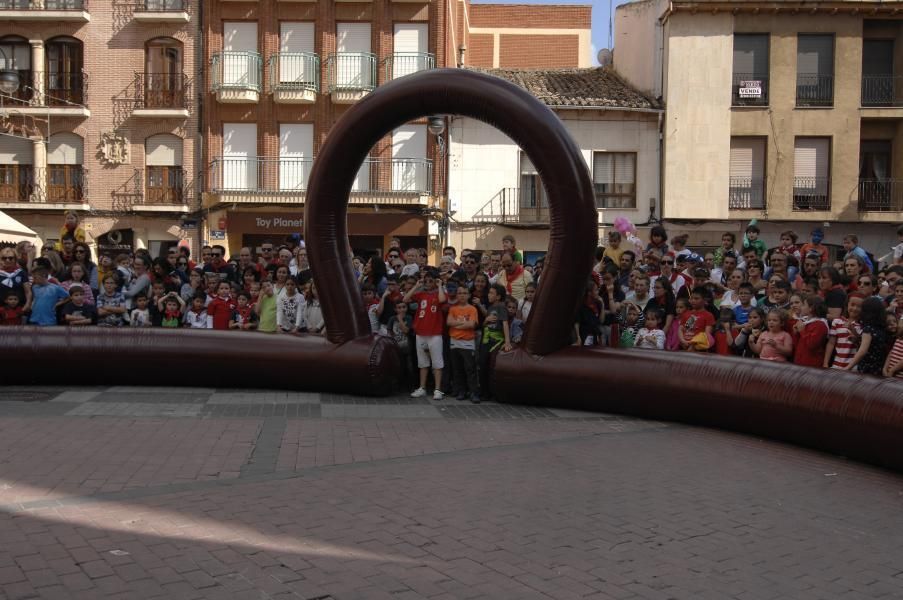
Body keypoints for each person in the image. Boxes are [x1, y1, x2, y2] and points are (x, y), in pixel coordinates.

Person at [404, 269, 448, 400]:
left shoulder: (439, 293)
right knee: (422, 362)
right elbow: (405, 298)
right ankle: (422, 387)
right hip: (421, 332)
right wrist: (417, 286)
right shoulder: (421, 294)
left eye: (431, 280)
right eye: (426, 280)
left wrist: (440, 285)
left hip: (435, 333)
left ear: (436, 281)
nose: (428, 283)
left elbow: (441, 300)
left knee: (437, 362)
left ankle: (438, 389)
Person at [447, 286, 480, 402]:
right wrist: (463, 323)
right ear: (456, 295)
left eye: (465, 293)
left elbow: (471, 325)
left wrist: (456, 324)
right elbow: (448, 322)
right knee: (457, 369)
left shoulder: (472, 309)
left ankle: (473, 392)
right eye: (459, 293)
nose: (462, 295)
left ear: (469, 295)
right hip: (454, 342)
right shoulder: (453, 309)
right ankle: (461, 391)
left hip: (467, 343)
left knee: (470, 369)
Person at [479, 283, 512, 401]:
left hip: (495, 341)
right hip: (485, 339)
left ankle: (491, 392)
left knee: (490, 366)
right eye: (489, 292)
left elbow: (504, 323)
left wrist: (507, 341)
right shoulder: (490, 307)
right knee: (482, 365)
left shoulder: (501, 307)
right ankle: (484, 392)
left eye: (491, 293)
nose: (489, 295)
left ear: (498, 296)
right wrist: (486, 320)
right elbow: (484, 324)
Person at [845, 297, 891, 375]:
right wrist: (857, 338)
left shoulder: (868, 329)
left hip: (867, 369)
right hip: (878, 368)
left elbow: (863, 351)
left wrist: (848, 367)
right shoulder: (881, 329)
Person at [792, 295, 829, 367]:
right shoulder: (805, 322)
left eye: (803, 305)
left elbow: (812, 345)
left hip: (811, 365)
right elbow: (797, 345)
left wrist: (802, 331)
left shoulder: (820, 325)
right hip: (800, 362)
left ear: (811, 308)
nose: (801, 307)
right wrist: (796, 333)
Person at [679, 287, 715, 352]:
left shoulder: (708, 315)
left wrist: (693, 345)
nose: (693, 301)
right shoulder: (686, 314)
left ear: (704, 300)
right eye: (691, 298)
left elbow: (706, 335)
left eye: (696, 298)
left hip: (699, 349)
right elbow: (680, 329)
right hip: (684, 346)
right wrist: (682, 340)